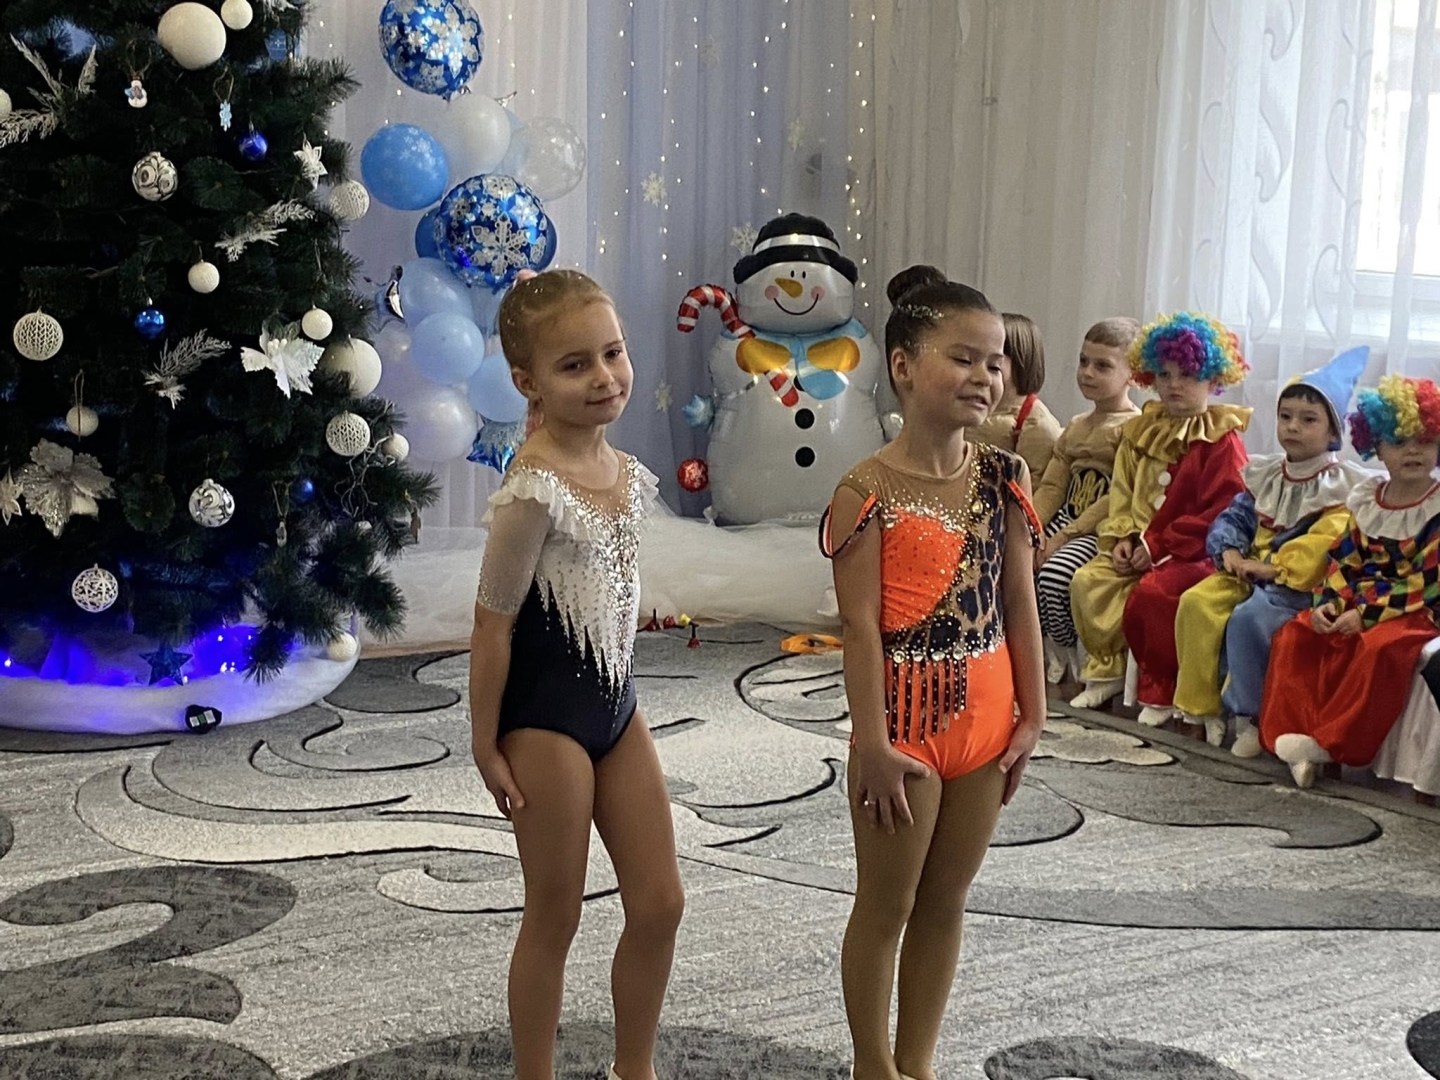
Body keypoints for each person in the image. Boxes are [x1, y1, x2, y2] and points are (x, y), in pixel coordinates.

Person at [821, 265, 1045, 1080]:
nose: (986, 376)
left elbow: (1018, 599)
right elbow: (858, 629)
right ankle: (872, 1065)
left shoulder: (1006, 475)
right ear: (905, 366)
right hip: (902, 731)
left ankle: (917, 1063)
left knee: (947, 901)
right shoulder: (865, 490)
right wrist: (872, 744)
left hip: (986, 720)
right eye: (964, 358)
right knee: (888, 905)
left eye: (996, 361)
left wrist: (1033, 714)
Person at [469, 270, 683, 1080]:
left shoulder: (624, 470)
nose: (603, 377)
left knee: (661, 903)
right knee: (555, 914)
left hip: (616, 709)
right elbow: (492, 623)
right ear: (527, 381)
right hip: (544, 723)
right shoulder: (533, 490)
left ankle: (635, 1069)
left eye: (613, 354)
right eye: (574, 365)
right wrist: (485, 742)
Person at [1172, 347, 1371, 752]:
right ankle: (1203, 705)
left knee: (1249, 619)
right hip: (1247, 571)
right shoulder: (1268, 474)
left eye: (1308, 419)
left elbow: (1326, 541)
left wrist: (1275, 569)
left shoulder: (1340, 485)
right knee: (1196, 603)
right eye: (1286, 416)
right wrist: (1229, 551)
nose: (1293, 426)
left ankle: (1249, 716)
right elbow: (1235, 516)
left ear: (1333, 433)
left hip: (1293, 586)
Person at [1068, 312, 1251, 725]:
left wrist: (1157, 547)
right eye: (1164, 374)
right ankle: (1108, 670)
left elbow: (1222, 511)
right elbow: (1123, 493)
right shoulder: (1142, 430)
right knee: (1089, 581)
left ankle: (1161, 689)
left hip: (1194, 553)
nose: (1173, 385)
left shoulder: (1221, 439)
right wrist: (1124, 538)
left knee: (1156, 594)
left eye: (1187, 375)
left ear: (1213, 378)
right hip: (1140, 543)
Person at [1261, 375, 1440, 787]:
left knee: (1377, 649)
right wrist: (1331, 603)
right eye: (1399, 441)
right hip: (1357, 600)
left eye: (1425, 441)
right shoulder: (1367, 499)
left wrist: (1366, 615)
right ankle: (1294, 735)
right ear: (1375, 445)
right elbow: (1343, 560)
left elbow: (1426, 582)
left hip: (1414, 609)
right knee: (1297, 634)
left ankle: (1335, 742)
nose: (1413, 451)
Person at [1031, 317, 1142, 682]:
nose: (1087, 373)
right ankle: (1044, 648)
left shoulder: (1135, 428)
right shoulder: (1076, 426)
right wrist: (1033, 528)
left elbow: (1118, 495)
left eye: (1102, 366)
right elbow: (1052, 486)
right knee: (1016, 562)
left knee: (1055, 575)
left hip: (1099, 528)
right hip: (1066, 519)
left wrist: (1065, 536)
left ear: (1132, 375)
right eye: (1083, 361)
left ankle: (1072, 653)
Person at [970, 312, 1062, 479]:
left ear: (1022, 360)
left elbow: (1038, 486)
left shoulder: (1037, 426)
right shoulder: (971, 401)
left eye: (996, 357)